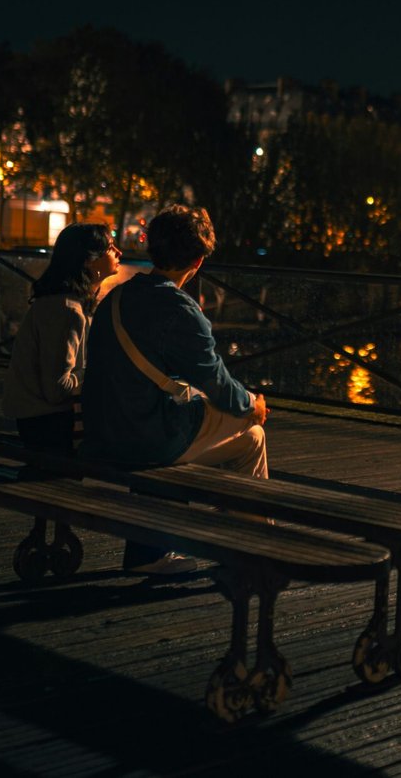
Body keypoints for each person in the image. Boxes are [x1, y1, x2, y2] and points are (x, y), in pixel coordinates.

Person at [81, 204, 269, 574]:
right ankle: (251, 544)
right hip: (145, 438)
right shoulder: (181, 310)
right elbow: (218, 385)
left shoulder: (115, 299)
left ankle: (158, 547)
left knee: (248, 439)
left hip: (102, 432)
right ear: (198, 261)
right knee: (255, 431)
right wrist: (252, 404)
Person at [2, 223, 122, 453]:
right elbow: (57, 388)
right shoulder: (66, 310)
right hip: (48, 424)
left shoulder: (69, 304)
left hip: (43, 419)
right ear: (88, 260)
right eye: (110, 248)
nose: (119, 253)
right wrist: (102, 370)